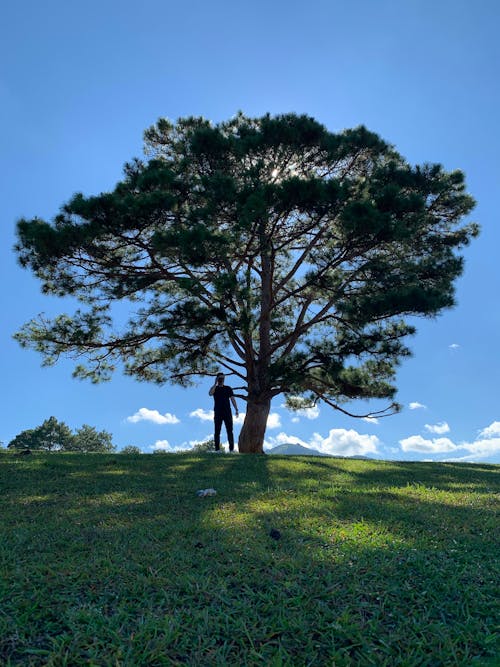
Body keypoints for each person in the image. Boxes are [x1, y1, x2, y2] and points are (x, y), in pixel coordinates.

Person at [209, 372, 239, 452]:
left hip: (227, 412)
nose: (221, 380)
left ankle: (231, 449)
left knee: (230, 431)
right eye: (220, 378)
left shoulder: (228, 388)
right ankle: (217, 449)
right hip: (218, 412)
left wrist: (236, 409)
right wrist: (215, 383)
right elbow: (210, 393)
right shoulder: (215, 388)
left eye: (223, 378)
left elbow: (232, 399)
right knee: (217, 431)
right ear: (217, 379)